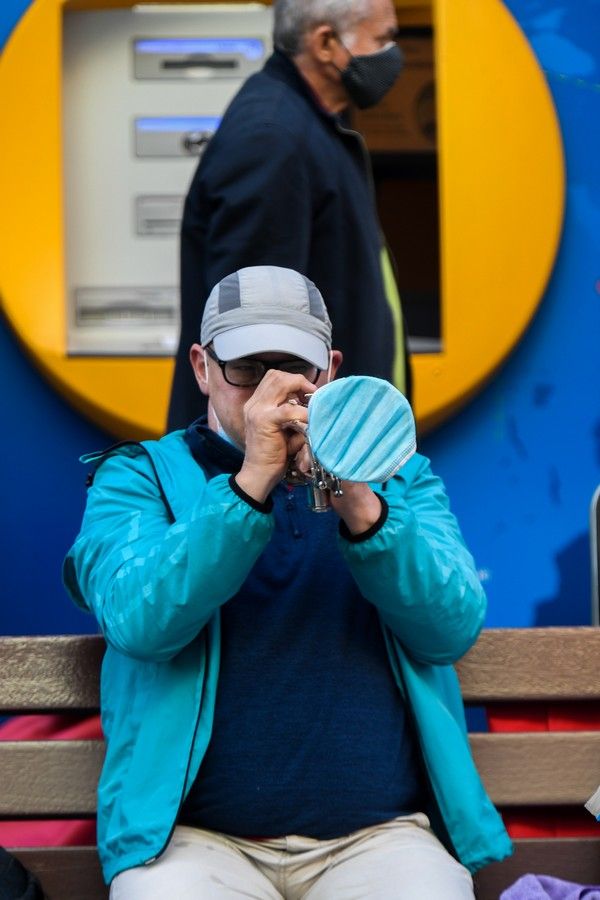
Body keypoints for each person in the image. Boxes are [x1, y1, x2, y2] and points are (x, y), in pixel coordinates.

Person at [64, 265, 511, 898]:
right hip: (194, 843)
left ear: (330, 370)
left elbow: (452, 627)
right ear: (201, 367)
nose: (272, 393)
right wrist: (251, 485)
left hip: (378, 838)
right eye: (247, 369)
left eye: (294, 369)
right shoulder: (139, 478)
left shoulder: (398, 477)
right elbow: (140, 621)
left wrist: (359, 496)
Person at [168, 0, 411, 431]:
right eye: (382, 38)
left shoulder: (308, 126)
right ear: (325, 43)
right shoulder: (273, 138)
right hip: (287, 469)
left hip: (325, 448)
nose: (392, 53)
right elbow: (252, 338)